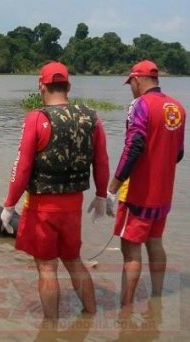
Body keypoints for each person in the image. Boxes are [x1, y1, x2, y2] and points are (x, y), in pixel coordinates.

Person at [0, 61, 110, 320]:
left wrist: (8, 205)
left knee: (47, 268)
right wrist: (102, 195)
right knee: (73, 260)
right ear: (68, 86)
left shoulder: (36, 118)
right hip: (73, 206)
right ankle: (90, 315)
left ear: (41, 86)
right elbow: (102, 161)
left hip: (42, 207)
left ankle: (50, 328)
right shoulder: (91, 117)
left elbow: (23, 167)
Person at [106, 59, 186, 308]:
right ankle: (157, 299)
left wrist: (112, 187)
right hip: (164, 194)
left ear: (137, 80)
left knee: (130, 252)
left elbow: (134, 146)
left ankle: (125, 308)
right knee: (155, 242)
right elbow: (179, 154)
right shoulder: (178, 107)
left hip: (138, 194)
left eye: (130, 83)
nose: (131, 88)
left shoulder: (139, 105)